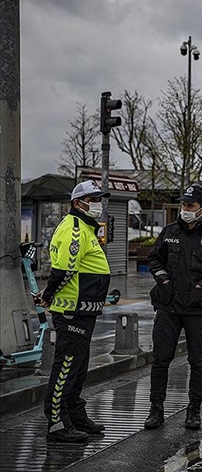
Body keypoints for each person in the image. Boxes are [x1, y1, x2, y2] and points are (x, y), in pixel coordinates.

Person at [144, 185, 202, 431]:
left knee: (198, 361)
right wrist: (163, 279)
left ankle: (193, 411)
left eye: (190, 206)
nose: (185, 209)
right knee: (161, 360)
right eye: (183, 205)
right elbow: (153, 258)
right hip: (168, 307)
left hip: (198, 309)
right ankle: (156, 410)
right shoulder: (170, 232)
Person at [36, 180, 112, 442]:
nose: (98, 204)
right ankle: (56, 423)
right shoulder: (74, 229)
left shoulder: (86, 229)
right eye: (93, 199)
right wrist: (48, 295)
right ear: (78, 203)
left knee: (78, 368)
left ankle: (76, 415)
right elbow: (65, 270)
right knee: (66, 366)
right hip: (72, 311)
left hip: (85, 310)